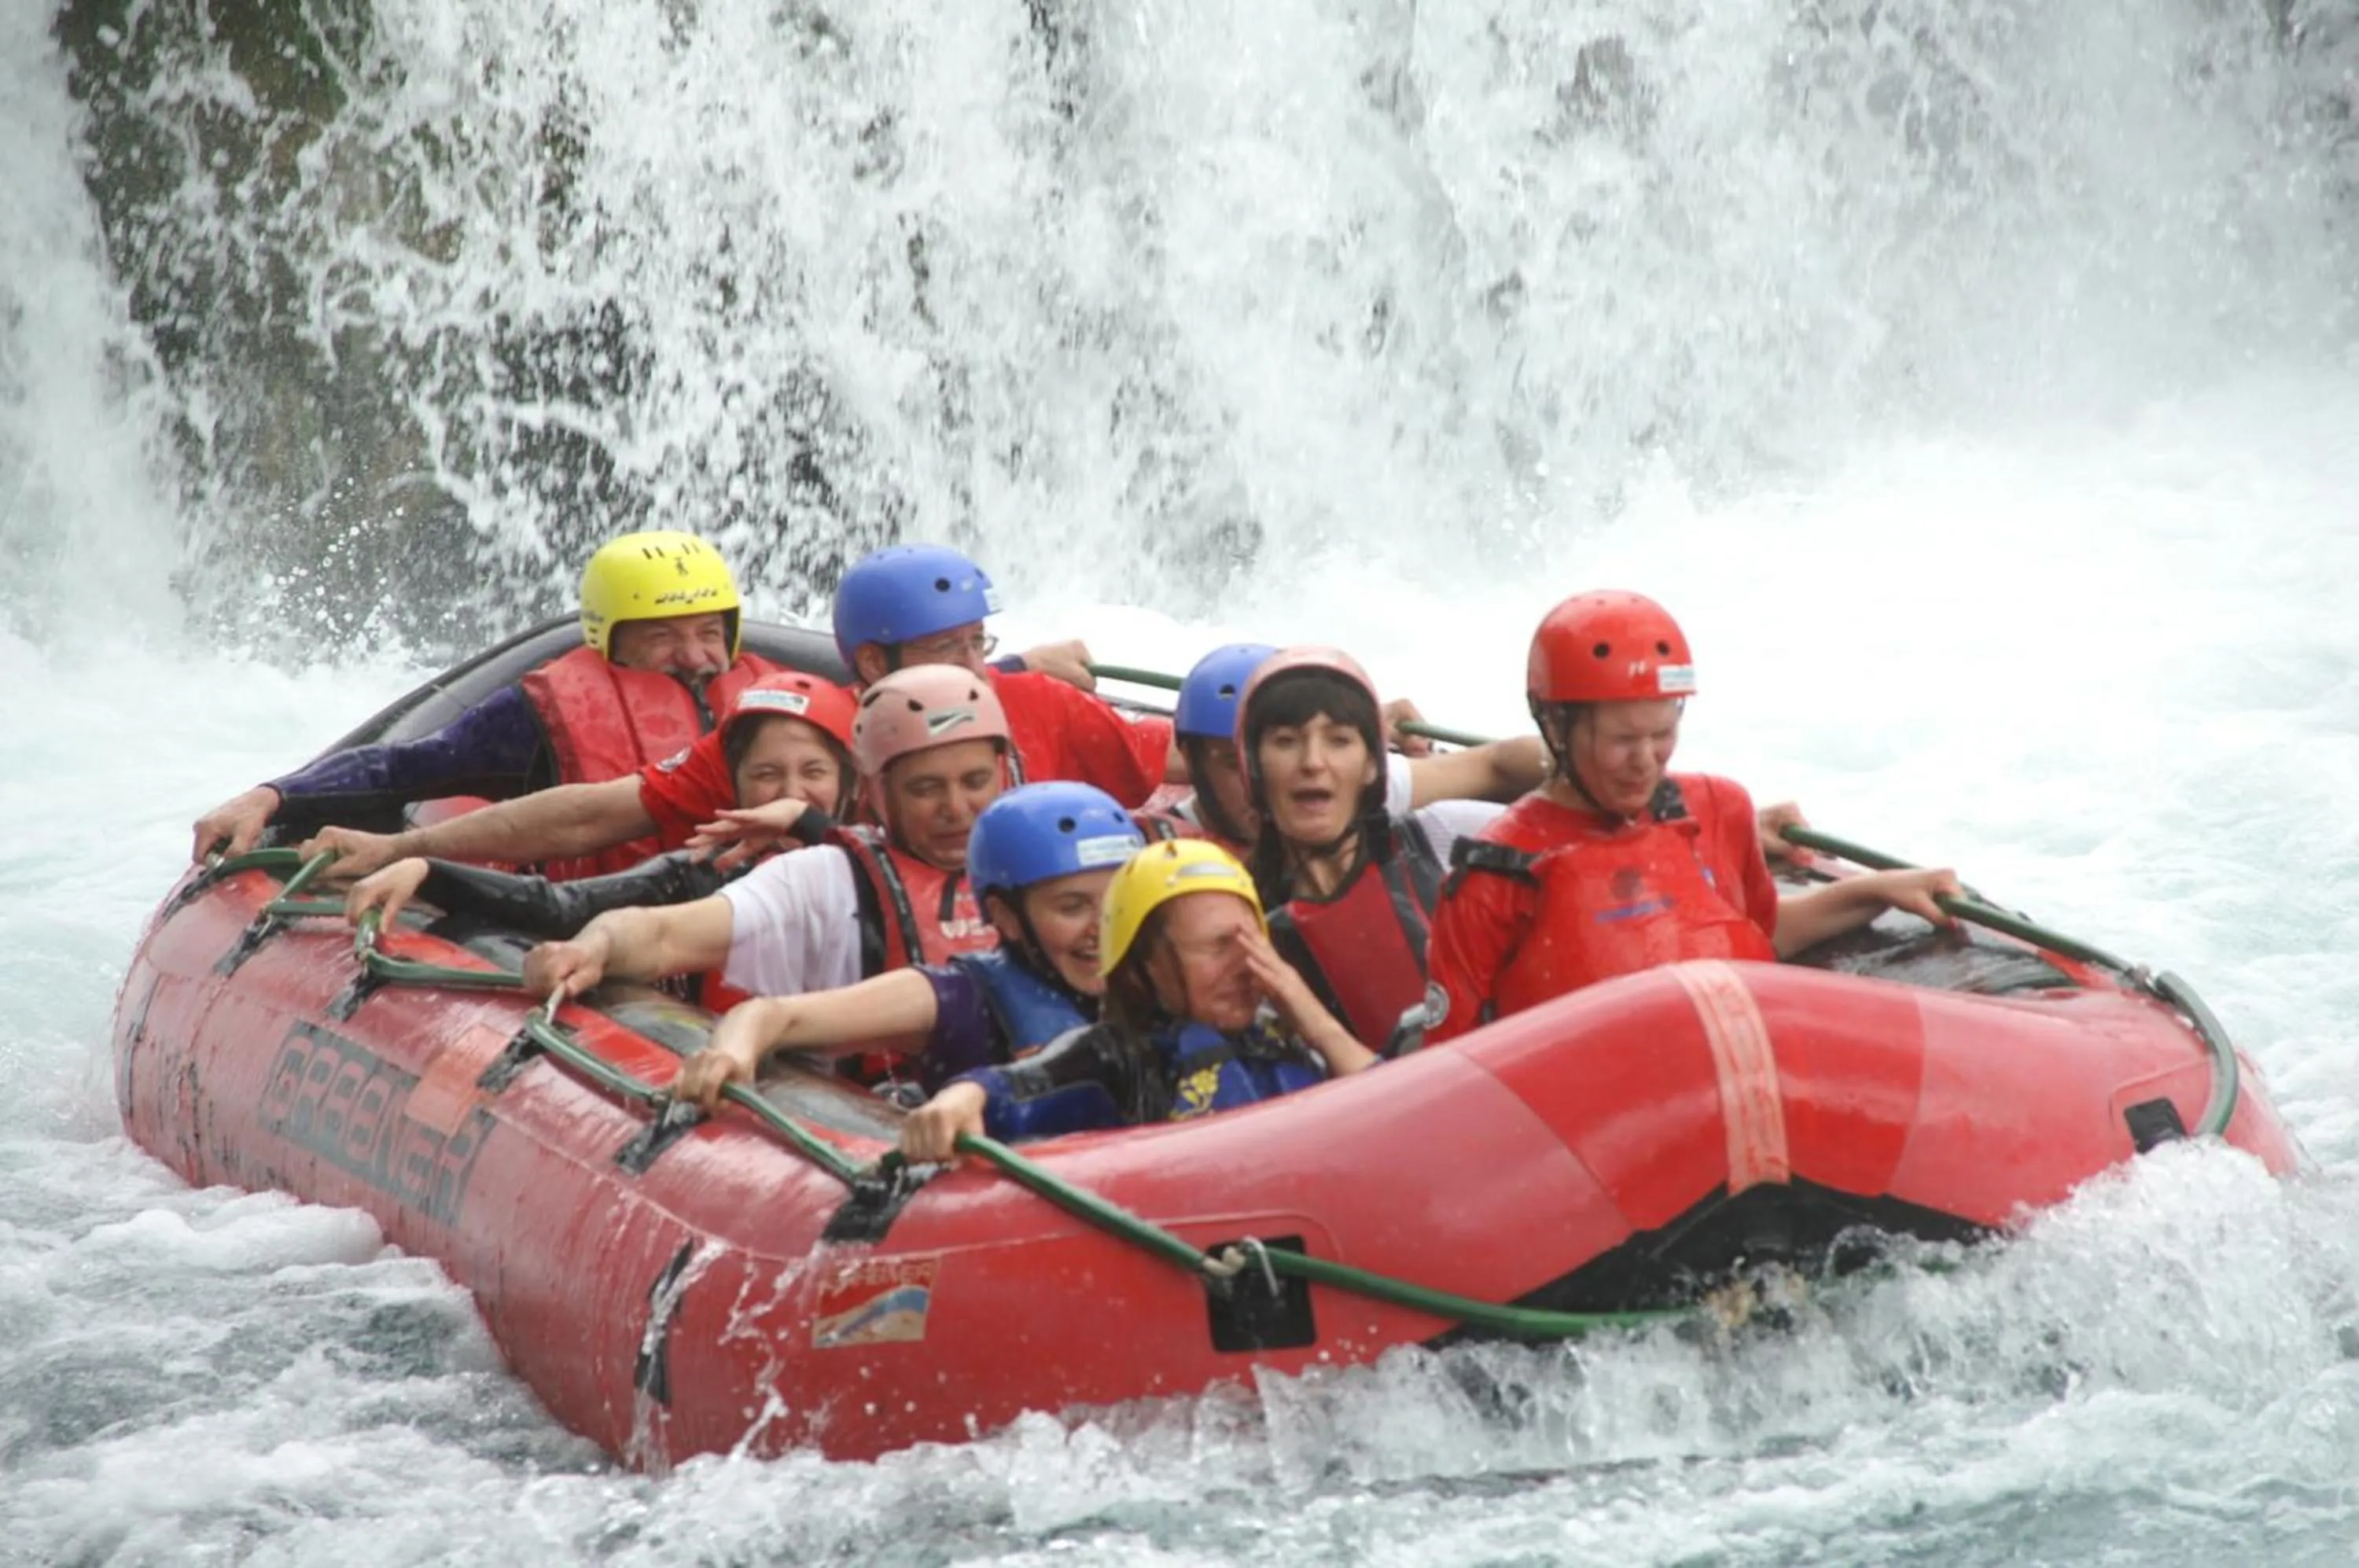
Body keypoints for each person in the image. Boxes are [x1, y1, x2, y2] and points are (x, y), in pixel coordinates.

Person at [1424, 591, 1960, 1043]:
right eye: (1622, 739)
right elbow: (1448, 1061)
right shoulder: (1493, 877)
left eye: (1662, 734)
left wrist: (1877, 890)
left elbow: (1764, 933)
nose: (1645, 761)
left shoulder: (1719, 808)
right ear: (1556, 727)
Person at [190, 530, 788, 864]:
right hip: (598, 938)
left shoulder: (778, 707)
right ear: (609, 639)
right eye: (663, 638)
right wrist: (274, 795)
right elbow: (404, 767)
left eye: (709, 633)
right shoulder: (539, 715)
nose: (694, 656)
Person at [517, 666, 1014, 1062]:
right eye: (926, 789)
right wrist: (597, 946)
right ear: (877, 791)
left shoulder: (1046, 852)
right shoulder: (819, 877)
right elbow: (661, 934)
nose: (956, 808)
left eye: (975, 782)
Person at [334, 674, 860, 973]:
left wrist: (808, 824)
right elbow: (571, 897)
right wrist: (423, 866)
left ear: (852, 783)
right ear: (735, 785)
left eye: (814, 774)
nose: (790, 794)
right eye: (766, 775)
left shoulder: (879, 872)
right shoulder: (709, 870)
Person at [669, 782, 1145, 1106]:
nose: (1103, 928)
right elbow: (773, 1016)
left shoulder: (1163, 975)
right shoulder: (962, 997)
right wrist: (731, 1054)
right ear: (1007, 919)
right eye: (1072, 907)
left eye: (1119, 901)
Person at [897, 839, 1377, 1159]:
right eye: (1216, 948)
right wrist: (961, 1098)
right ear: (1145, 968)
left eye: (1252, 944)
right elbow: (1020, 1085)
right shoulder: (1119, 1056)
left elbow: (1389, 1114)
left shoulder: (1292, 1035)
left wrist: (1320, 1027)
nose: (1246, 966)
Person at [1235, 646, 1512, 1054]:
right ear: (1254, 767)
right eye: (1286, 741)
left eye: (1339, 741)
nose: (1313, 762)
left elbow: (1520, 771)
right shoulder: (1245, 925)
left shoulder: (1436, 837)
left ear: (1371, 767)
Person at [833, 543, 1178, 808]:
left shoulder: (1034, 701)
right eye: (945, 647)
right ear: (874, 664)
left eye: (977, 641)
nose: (975, 668)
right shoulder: (828, 739)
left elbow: (1176, 754)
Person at [1164, 642, 1551, 852]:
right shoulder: (1163, 848)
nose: (1312, 763)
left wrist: (1577, 761)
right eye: (1233, 764)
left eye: (1336, 741)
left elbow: (1495, 765)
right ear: (1192, 764)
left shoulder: (1346, 781)